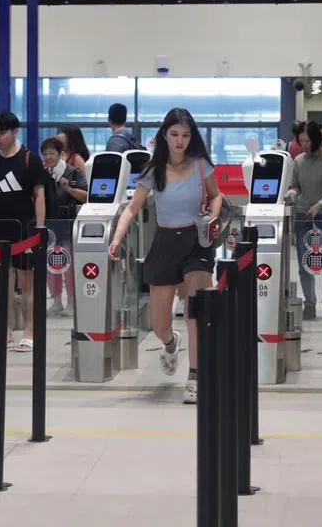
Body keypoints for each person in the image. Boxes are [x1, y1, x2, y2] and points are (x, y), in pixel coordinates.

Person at [108, 108, 223, 404]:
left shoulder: (201, 165)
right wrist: (117, 238)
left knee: (194, 313)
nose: (180, 141)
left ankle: (195, 375)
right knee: (159, 324)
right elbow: (132, 208)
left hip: (196, 243)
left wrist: (212, 216)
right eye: (174, 135)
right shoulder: (152, 170)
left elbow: (217, 195)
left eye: (185, 135)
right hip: (164, 242)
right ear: (164, 135)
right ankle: (171, 344)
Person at [0, 111, 47, 351]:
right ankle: (4, 332)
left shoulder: (30, 159)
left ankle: (29, 331)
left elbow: (39, 195)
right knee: (2, 284)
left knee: (27, 284)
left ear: (15, 132)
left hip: (25, 230)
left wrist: (39, 229)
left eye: (2, 132)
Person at [288, 121, 322, 321]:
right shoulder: (298, 161)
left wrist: (320, 205)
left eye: (307, 141)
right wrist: (292, 195)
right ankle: (309, 304)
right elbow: (294, 186)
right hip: (303, 216)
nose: (302, 144)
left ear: (316, 139)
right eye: (300, 141)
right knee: (305, 263)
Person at [41, 136, 86, 316]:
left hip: (68, 225)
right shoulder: (43, 175)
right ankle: (57, 301)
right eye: (45, 154)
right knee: (52, 266)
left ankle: (72, 303)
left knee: (69, 266)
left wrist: (69, 190)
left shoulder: (73, 172)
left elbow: (86, 195)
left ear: (61, 154)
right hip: (50, 227)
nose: (48, 157)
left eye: (52, 153)